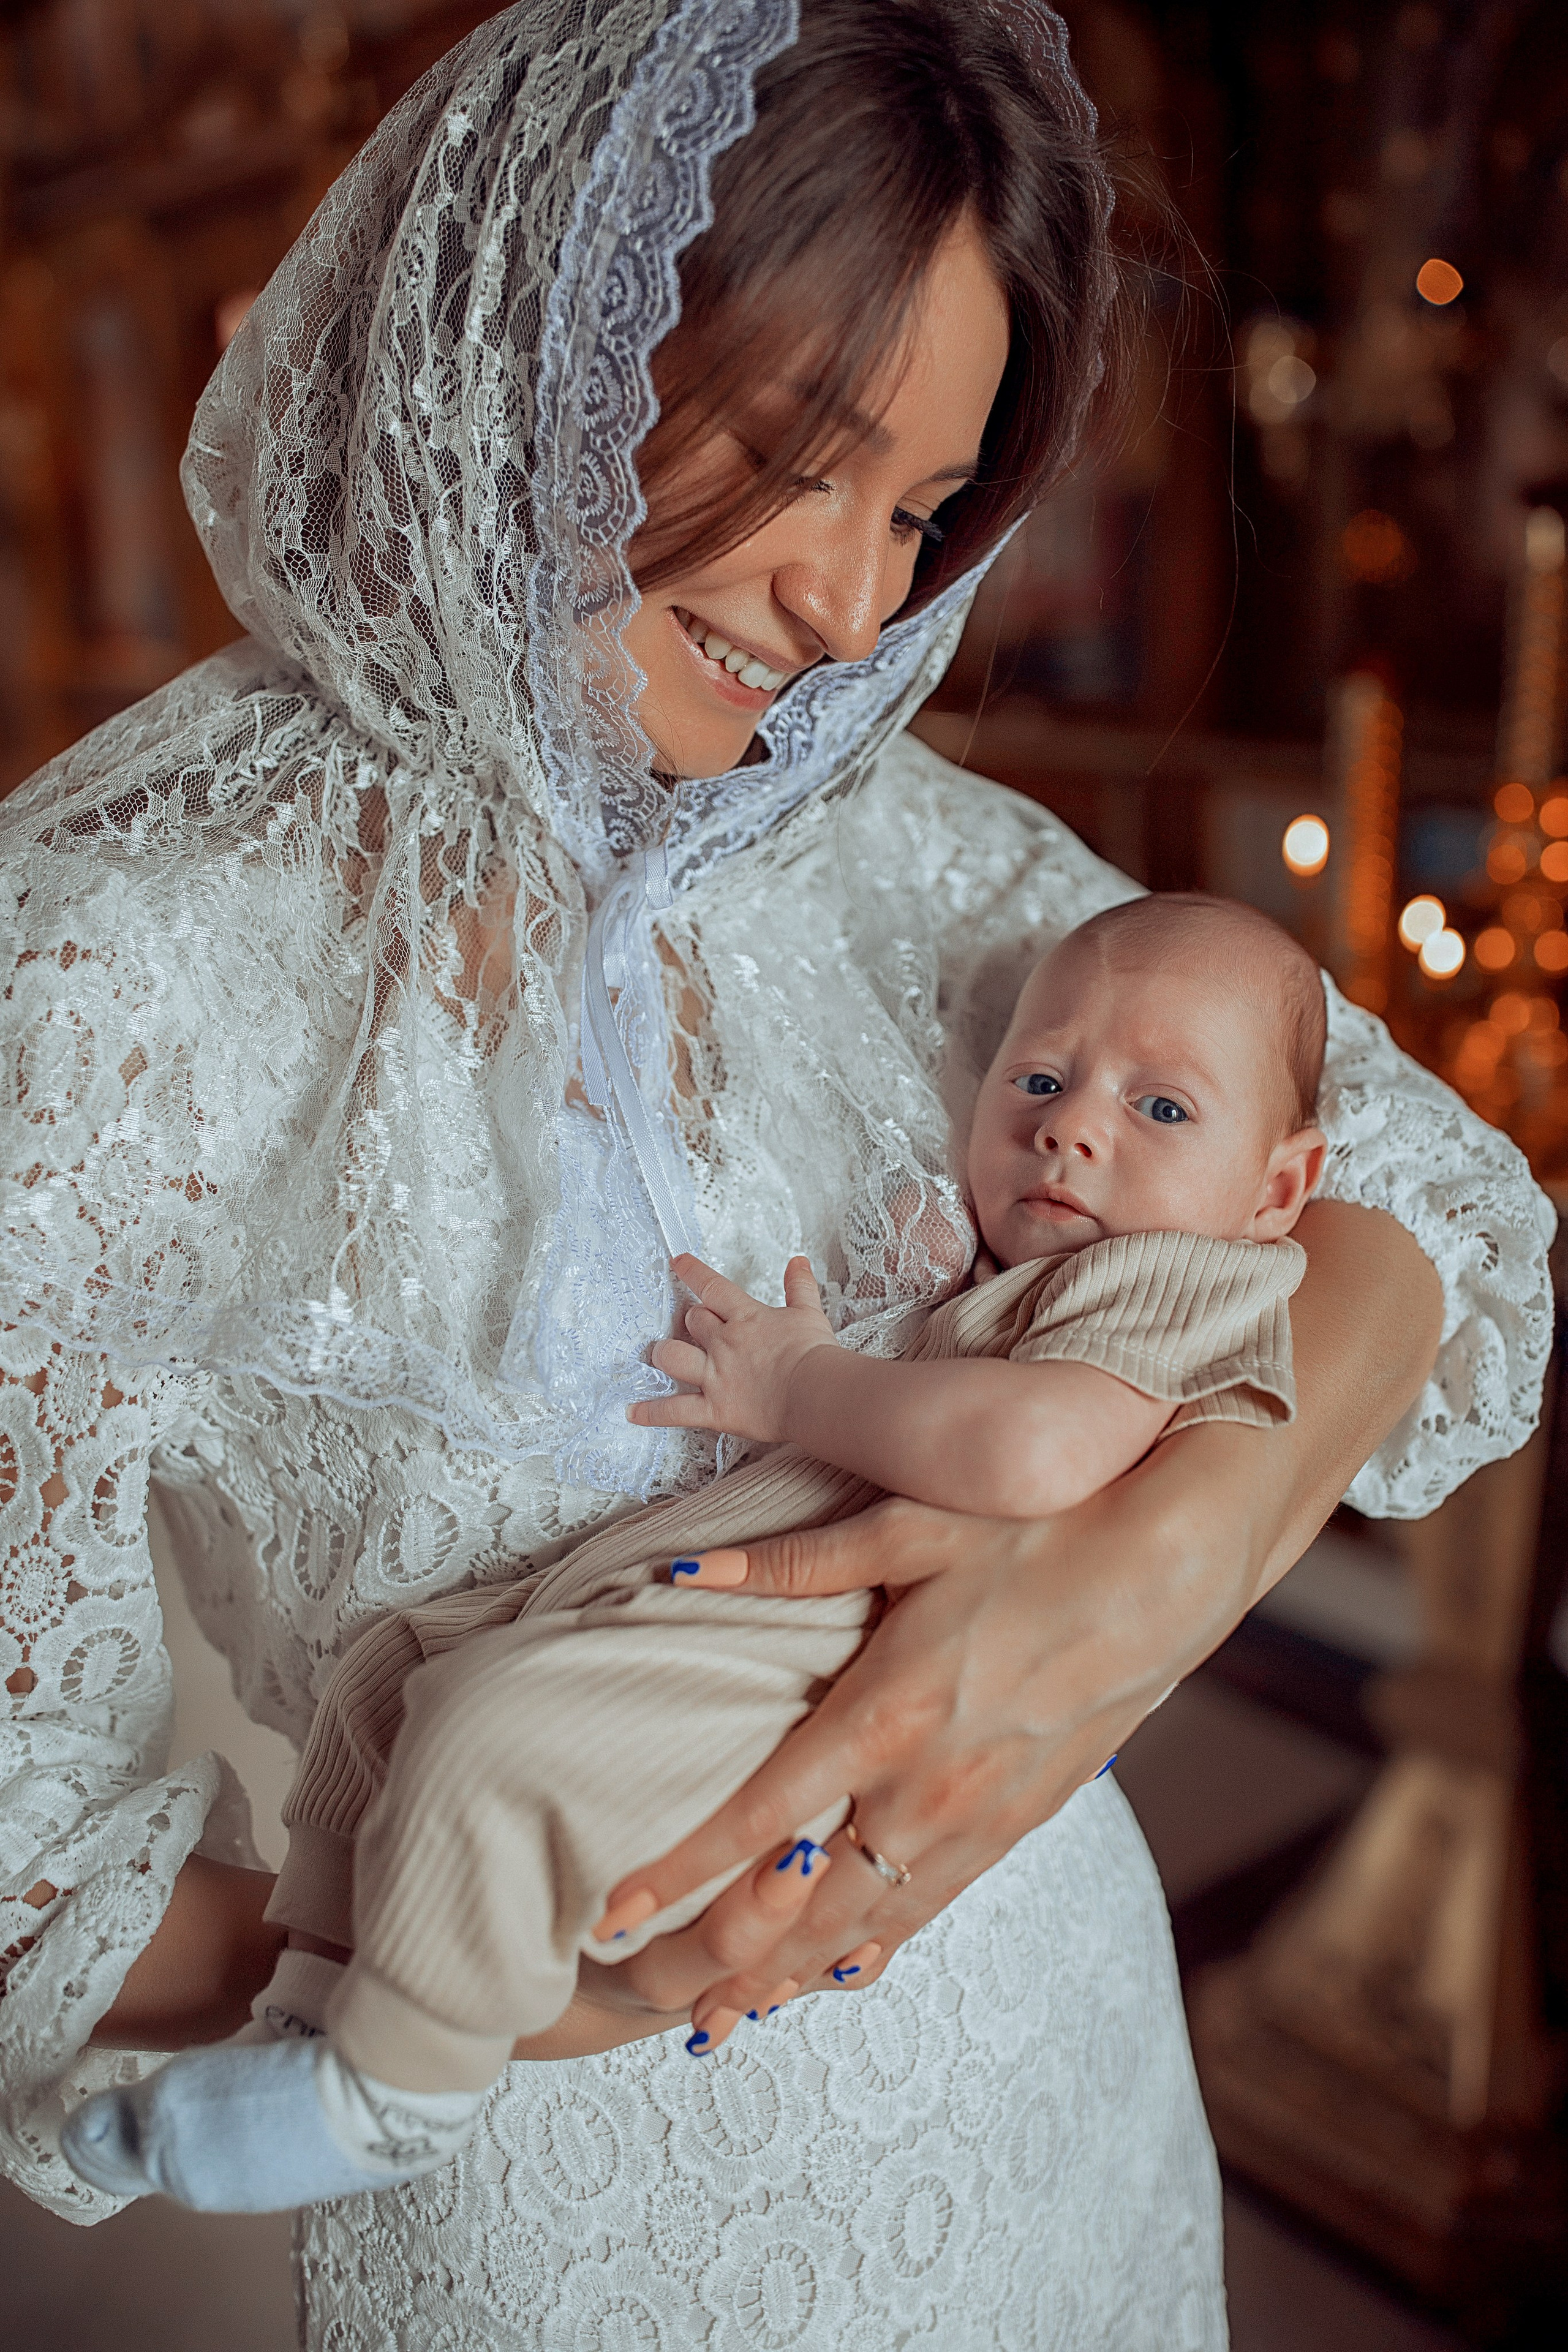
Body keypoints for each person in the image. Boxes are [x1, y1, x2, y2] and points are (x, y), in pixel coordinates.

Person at [0, 2, 1550, 2343]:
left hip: (1063, 2098)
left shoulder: (893, 853)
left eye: (919, 510)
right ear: (543, 334)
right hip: (565, 2226)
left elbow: (1417, 1197)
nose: (849, 606)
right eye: (799, 459)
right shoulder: (109, 958)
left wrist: (1154, 1563)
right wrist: (497, 1994)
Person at [60, 892, 1329, 2212]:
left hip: (822, 1650)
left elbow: (1026, 1456)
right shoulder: (1034, 1260)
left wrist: (803, 1389)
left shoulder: (1194, 1281)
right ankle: (318, 2021)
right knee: (387, 1681)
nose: (1069, 1125)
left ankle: (401, 2092)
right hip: (710, 1600)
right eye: (1041, 1077)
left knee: (496, 1740)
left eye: (1161, 1110)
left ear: (1275, 1189)